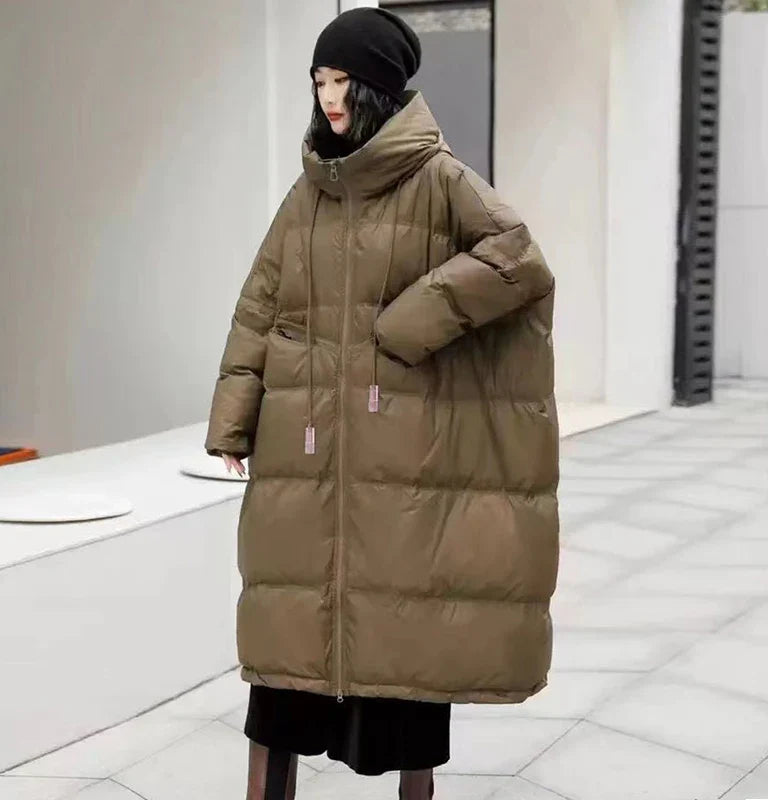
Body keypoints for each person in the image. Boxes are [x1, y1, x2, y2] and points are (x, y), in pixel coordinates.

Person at [204, 7, 560, 800]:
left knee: (404, 656)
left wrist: (409, 323)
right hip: (305, 452)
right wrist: (232, 418)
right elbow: (259, 307)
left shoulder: (440, 180)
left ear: (379, 88)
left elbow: (518, 258)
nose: (330, 98)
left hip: (403, 453)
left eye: (344, 81)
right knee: (287, 653)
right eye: (320, 81)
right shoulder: (309, 193)